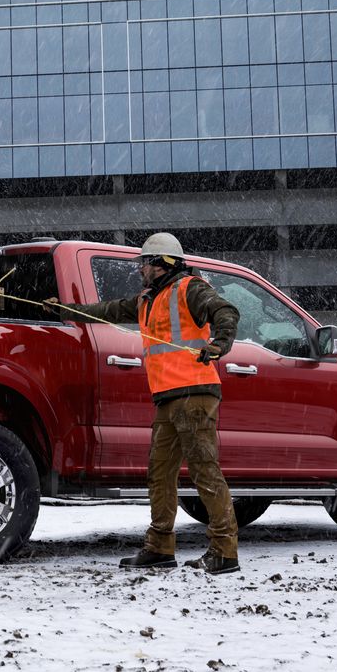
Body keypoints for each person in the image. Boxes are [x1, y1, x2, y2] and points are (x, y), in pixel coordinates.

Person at [55, 233, 243, 574]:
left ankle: (224, 551)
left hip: (195, 393)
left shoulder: (191, 288)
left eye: (145, 263)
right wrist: (67, 311)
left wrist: (220, 343)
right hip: (168, 397)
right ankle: (160, 547)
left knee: (204, 471)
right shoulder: (147, 299)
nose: (141, 269)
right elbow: (107, 310)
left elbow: (225, 311)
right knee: (159, 474)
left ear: (162, 264)